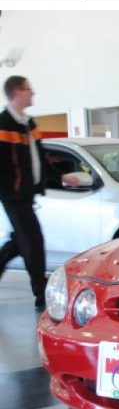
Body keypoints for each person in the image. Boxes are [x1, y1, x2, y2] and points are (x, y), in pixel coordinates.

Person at [0, 76, 48, 312]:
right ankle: (42, 292)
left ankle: (40, 288)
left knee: (20, 242)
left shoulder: (29, 124)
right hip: (13, 195)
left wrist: (60, 176)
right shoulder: (4, 124)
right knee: (33, 241)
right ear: (17, 92)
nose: (33, 93)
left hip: (27, 193)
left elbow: (40, 157)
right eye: (29, 89)